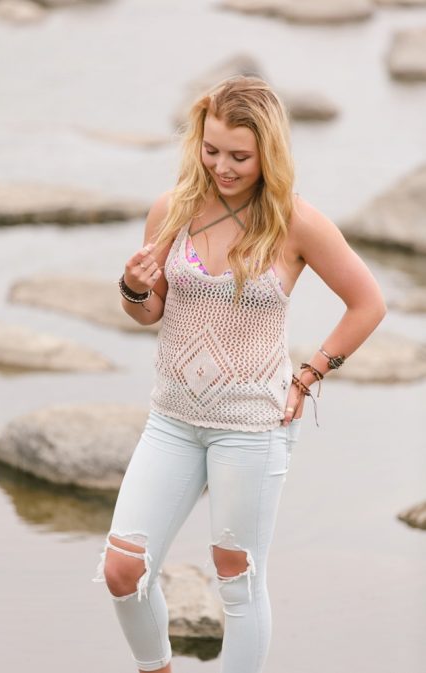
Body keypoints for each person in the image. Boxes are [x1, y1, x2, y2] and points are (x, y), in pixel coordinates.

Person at [95, 77, 385, 673]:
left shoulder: (296, 222)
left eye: (239, 156)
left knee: (238, 578)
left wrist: (308, 376)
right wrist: (133, 286)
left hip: (252, 427)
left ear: (268, 152)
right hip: (172, 418)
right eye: (211, 150)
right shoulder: (171, 209)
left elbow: (368, 303)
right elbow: (148, 313)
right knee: (123, 568)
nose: (222, 167)